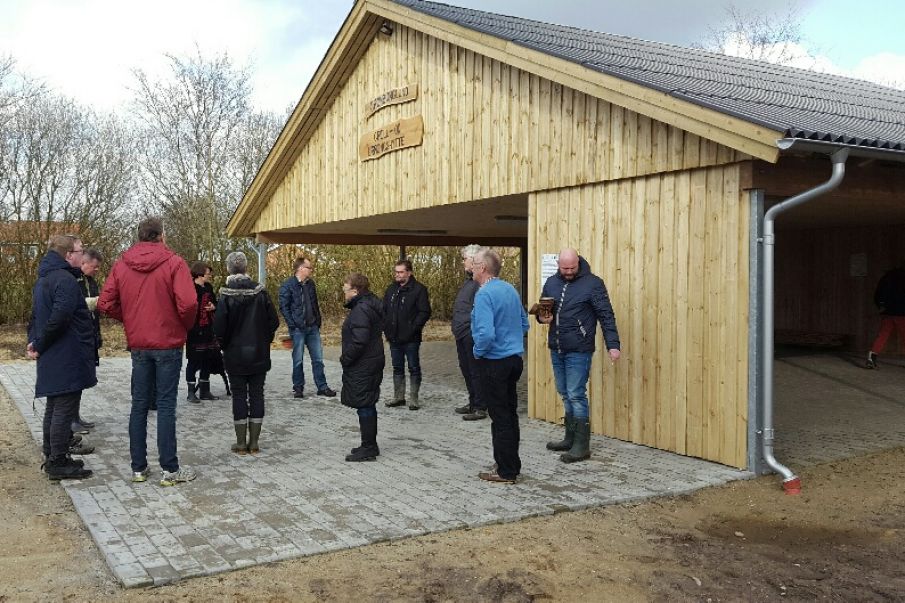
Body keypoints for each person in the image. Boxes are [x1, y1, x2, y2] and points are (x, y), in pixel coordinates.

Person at [98, 217, 198, 487]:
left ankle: (138, 469)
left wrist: (131, 318)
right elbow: (188, 303)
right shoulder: (174, 263)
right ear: (161, 235)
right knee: (166, 405)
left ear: (140, 235)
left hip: (140, 344)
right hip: (168, 342)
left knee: (139, 405)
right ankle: (169, 470)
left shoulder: (121, 264)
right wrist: (182, 326)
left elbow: (105, 302)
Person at [537, 248, 621, 463]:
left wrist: (613, 345)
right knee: (564, 392)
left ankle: (582, 446)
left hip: (579, 348)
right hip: (557, 346)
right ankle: (570, 438)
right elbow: (544, 310)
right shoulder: (551, 283)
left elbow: (606, 315)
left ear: (578, 263)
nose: (568, 271)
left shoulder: (593, 284)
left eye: (572, 268)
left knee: (576, 394)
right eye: (564, 268)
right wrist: (541, 318)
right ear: (558, 265)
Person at [27, 234, 96, 480]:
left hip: (53, 352)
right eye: (80, 250)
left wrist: (34, 342)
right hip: (66, 353)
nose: (83, 254)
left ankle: (53, 453)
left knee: (55, 406)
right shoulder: (65, 280)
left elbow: (36, 316)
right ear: (68, 255)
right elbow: (60, 317)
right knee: (63, 408)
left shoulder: (43, 279)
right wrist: (40, 343)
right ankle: (57, 461)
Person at [470, 247, 529, 484]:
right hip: (514, 360)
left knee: (500, 417)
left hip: (494, 362)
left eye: (474, 264)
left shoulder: (484, 294)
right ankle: (509, 463)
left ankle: (506, 471)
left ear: (483, 268)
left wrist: (477, 352)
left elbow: (485, 334)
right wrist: (510, 339)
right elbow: (524, 324)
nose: (471, 268)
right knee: (509, 414)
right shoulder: (509, 289)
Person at [213, 251, 279, 455]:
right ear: (246, 268)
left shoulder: (225, 296)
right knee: (257, 394)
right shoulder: (261, 292)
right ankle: (255, 443)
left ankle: (241, 443)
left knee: (239, 396)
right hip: (259, 353)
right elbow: (273, 322)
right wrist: (264, 340)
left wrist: (225, 346)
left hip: (235, 355)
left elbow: (219, 328)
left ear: (229, 268)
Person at [340, 273, 385, 462]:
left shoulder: (361, 309)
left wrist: (346, 358)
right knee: (367, 401)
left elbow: (359, 341)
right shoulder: (370, 304)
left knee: (365, 403)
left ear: (355, 291)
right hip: (372, 359)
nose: (344, 291)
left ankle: (369, 446)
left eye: (346, 288)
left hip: (363, 363)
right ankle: (369, 443)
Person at [279, 255, 336, 399]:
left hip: (312, 328)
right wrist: (293, 325)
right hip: (298, 329)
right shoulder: (288, 285)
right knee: (298, 360)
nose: (311, 270)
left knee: (318, 359)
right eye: (308, 267)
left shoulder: (311, 284)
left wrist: (318, 322)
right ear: (300, 268)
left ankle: (322, 387)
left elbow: (315, 304)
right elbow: (284, 308)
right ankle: (298, 388)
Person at [382, 259, 431, 410]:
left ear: (409, 273)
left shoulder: (419, 289)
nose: (397, 275)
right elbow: (384, 310)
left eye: (401, 272)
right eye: (396, 272)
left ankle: (414, 399)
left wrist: (413, 328)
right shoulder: (391, 289)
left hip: (411, 339)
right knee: (397, 367)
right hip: (394, 337)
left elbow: (425, 312)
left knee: (413, 367)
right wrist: (386, 328)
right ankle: (399, 397)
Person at [451, 244, 486, 420]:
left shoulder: (481, 282)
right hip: (461, 332)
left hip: (471, 333)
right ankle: (473, 402)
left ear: (473, 261)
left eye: (465, 259)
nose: (463, 262)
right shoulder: (469, 280)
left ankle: (480, 406)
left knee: (475, 370)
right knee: (466, 369)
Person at [71, 247, 104, 434]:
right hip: (77, 337)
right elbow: (72, 305)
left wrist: (97, 335)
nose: (97, 270)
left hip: (90, 334)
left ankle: (76, 416)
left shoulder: (91, 281)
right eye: (95, 267)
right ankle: (71, 419)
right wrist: (90, 303)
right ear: (84, 263)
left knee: (83, 377)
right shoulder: (73, 280)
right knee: (74, 378)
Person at [185, 261, 220, 402]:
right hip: (194, 330)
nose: (209, 275)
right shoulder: (190, 288)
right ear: (199, 274)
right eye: (207, 273)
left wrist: (213, 306)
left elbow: (215, 302)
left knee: (207, 359)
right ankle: (191, 392)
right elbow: (186, 307)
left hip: (208, 329)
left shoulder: (209, 287)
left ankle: (205, 390)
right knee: (193, 361)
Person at [866, 262, 905, 369]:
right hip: (902, 312)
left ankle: (872, 356)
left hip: (887, 311)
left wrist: (881, 306)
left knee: (883, 334)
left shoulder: (886, 277)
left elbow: (877, 294)